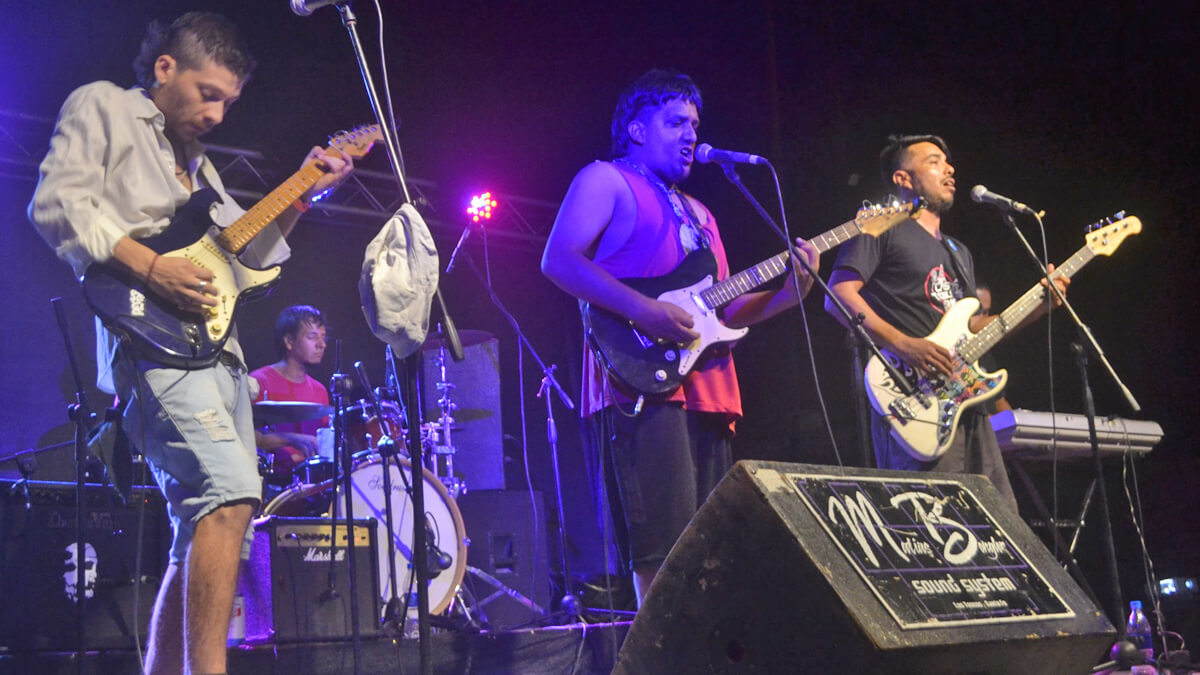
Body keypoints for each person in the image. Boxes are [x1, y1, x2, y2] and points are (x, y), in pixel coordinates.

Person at [28, 12, 353, 674]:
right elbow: (57, 204)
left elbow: (247, 255)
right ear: (165, 67)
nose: (217, 114)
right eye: (208, 94)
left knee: (207, 530)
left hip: (221, 357)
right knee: (231, 494)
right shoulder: (104, 106)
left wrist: (302, 195)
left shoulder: (200, 167)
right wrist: (152, 267)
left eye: (228, 102)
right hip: (152, 345)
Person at [541, 69, 818, 606]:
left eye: (694, 123)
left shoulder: (702, 213)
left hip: (709, 390)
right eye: (675, 122)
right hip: (641, 385)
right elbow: (558, 260)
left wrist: (791, 294)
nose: (691, 133)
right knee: (663, 551)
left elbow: (724, 309)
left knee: (711, 550)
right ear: (637, 129)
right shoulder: (605, 179)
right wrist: (644, 310)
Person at [825, 134, 1066, 511]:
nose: (949, 169)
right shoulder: (879, 225)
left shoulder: (958, 251)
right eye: (934, 161)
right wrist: (903, 343)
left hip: (968, 405)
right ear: (903, 179)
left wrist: (1039, 307)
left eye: (948, 162)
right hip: (913, 401)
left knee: (1001, 524)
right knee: (935, 521)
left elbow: (973, 329)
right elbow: (838, 295)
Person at [251, 305, 330, 477]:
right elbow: (247, 435)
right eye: (312, 337)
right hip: (271, 482)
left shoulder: (319, 390)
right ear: (289, 341)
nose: (321, 345)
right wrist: (291, 439)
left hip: (312, 481)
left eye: (323, 337)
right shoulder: (257, 382)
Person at [974, 282, 1013, 414]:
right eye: (978, 312)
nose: (983, 318)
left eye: (986, 312)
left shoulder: (986, 357)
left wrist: (1017, 423)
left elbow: (999, 402)